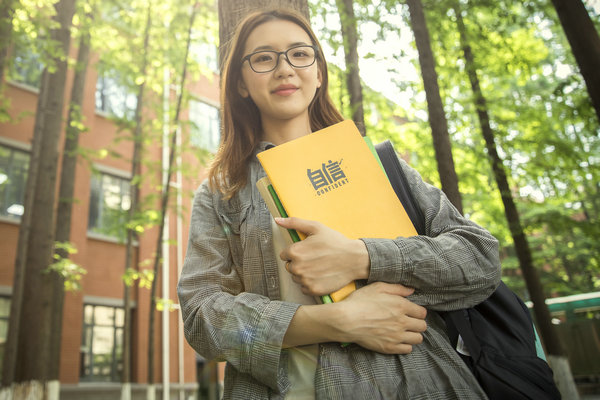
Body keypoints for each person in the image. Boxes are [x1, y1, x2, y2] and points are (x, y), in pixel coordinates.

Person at [177, 8, 501, 399]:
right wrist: (333, 321)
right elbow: (201, 316)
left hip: (420, 384)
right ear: (242, 84)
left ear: (318, 73)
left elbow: (480, 259)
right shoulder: (220, 192)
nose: (285, 68)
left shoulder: (377, 164)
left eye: (299, 53)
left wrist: (360, 256)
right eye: (264, 58)